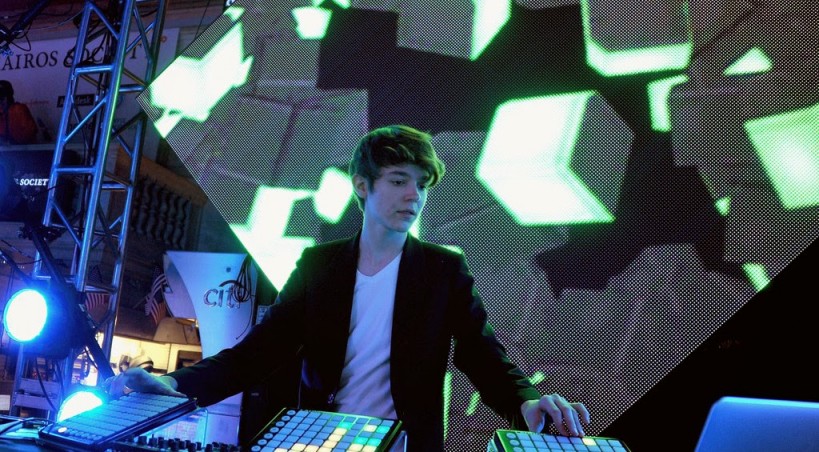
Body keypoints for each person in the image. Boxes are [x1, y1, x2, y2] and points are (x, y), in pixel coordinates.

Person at [107, 124, 591, 451]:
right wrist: (176, 385)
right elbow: (256, 353)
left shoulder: (444, 270)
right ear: (362, 185)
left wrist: (527, 401)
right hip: (321, 441)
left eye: (422, 184)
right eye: (399, 180)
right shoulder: (319, 266)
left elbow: (482, 356)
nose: (414, 195)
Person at [0, 80, 38, 145]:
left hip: (21, 149)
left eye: (2, 98)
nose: (1, 102)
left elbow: (29, 134)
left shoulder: (18, 110)